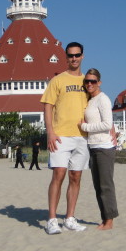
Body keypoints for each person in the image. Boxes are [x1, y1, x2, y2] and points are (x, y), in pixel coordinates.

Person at [40, 41, 89, 235]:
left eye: (77, 55)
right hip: (60, 135)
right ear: (66, 57)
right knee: (58, 174)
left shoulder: (88, 81)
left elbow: (98, 106)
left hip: (82, 136)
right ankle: (52, 219)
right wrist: (50, 132)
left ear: (82, 56)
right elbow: (47, 106)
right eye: (70, 55)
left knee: (75, 176)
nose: (74, 58)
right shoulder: (58, 80)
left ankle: (70, 218)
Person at [78, 68, 118, 230]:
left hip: (104, 147)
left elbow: (107, 124)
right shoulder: (90, 99)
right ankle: (105, 218)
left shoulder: (103, 99)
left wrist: (85, 127)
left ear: (99, 83)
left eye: (93, 81)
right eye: (87, 81)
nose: (89, 84)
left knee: (105, 185)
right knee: (97, 185)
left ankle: (109, 220)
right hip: (93, 146)